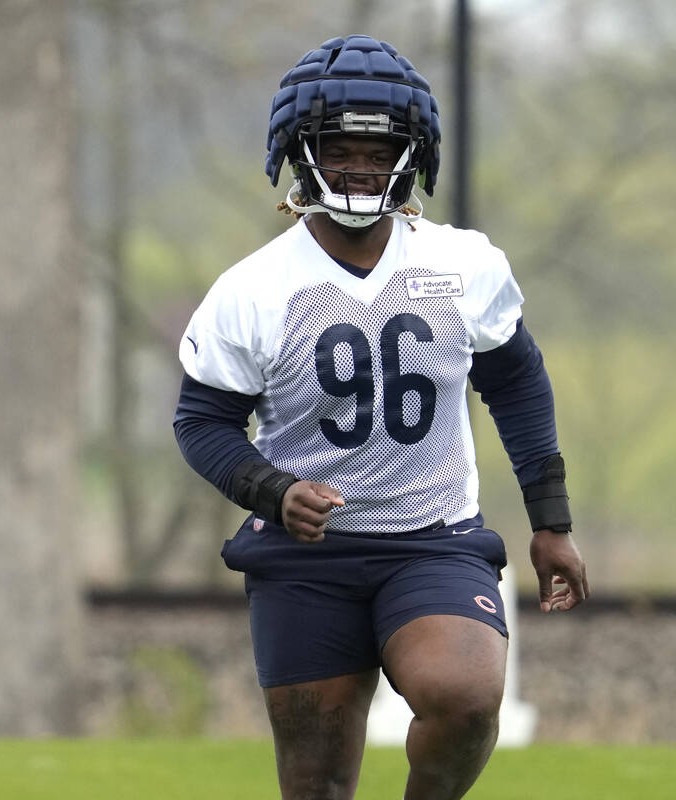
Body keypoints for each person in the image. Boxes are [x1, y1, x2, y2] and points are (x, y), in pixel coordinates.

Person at [174, 35, 588, 800]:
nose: (361, 167)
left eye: (379, 148)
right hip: (306, 559)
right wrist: (270, 489)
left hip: (433, 539)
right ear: (302, 152)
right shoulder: (253, 288)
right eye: (340, 147)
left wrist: (550, 518)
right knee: (318, 787)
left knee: (465, 704)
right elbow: (200, 422)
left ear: (413, 153)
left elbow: (518, 381)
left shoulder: (463, 264)